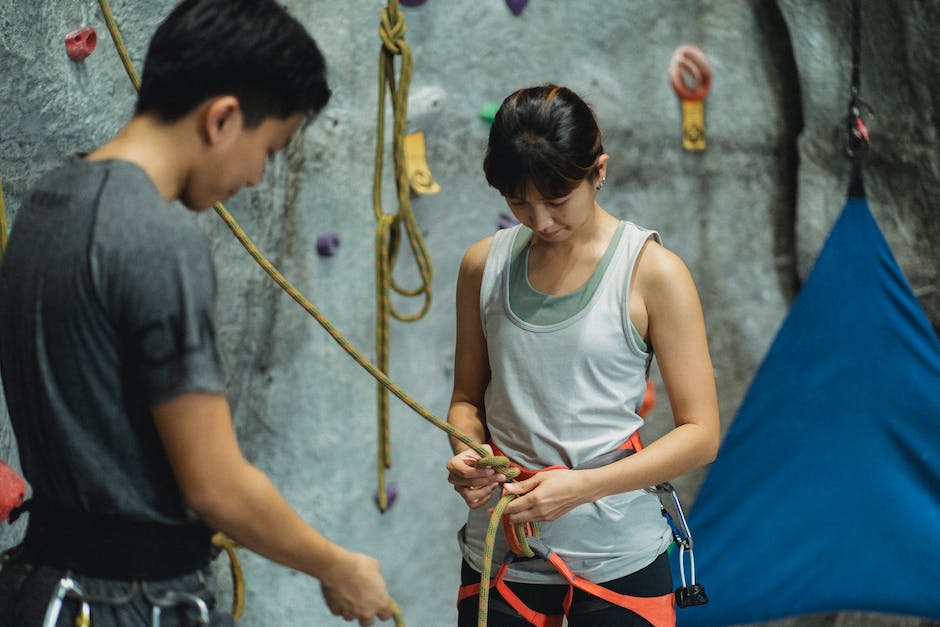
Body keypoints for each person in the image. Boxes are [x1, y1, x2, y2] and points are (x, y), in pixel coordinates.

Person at [0, 1, 393, 625]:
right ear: (223, 118)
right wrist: (335, 564)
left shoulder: (50, 200)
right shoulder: (159, 236)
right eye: (270, 148)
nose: (259, 176)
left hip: (39, 588)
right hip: (127, 602)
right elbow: (215, 484)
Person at [445, 84, 720, 626]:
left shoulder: (652, 272)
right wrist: (467, 452)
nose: (540, 220)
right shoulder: (483, 266)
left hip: (618, 556)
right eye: (519, 201)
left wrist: (579, 489)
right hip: (502, 558)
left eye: (556, 199)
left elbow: (701, 434)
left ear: (599, 172)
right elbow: (464, 400)